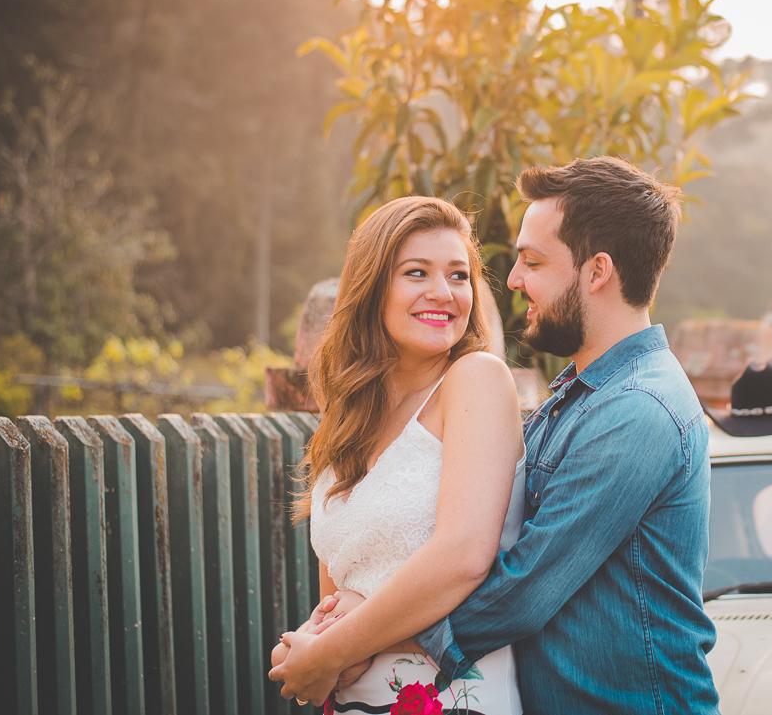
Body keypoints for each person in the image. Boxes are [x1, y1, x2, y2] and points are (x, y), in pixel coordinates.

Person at [280, 156, 720, 714]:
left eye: (532, 261)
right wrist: (331, 634)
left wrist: (343, 645)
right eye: (416, 272)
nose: (511, 280)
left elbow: (521, 589)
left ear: (597, 272)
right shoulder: (578, 394)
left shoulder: (638, 408)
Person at [270, 196, 527, 713]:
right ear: (371, 288)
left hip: (451, 696)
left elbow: (463, 557)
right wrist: (300, 648)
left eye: (458, 276)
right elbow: (338, 592)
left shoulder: (475, 379)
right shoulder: (346, 416)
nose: (443, 292)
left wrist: (331, 651)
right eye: (417, 272)